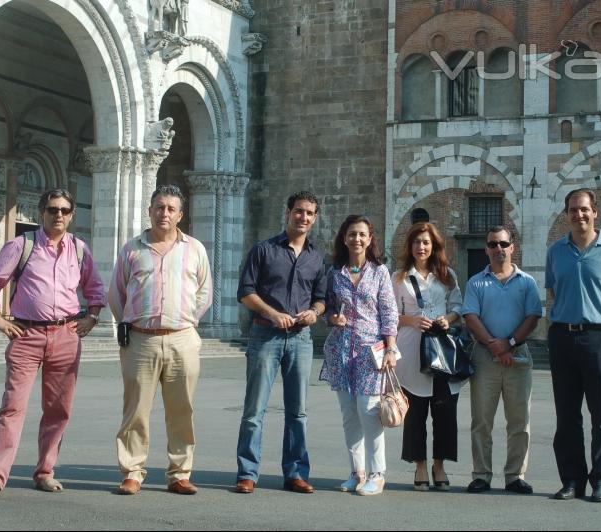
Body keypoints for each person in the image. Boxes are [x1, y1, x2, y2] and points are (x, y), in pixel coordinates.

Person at [0, 188, 106, 498]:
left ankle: (45, 471)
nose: (57, 215)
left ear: (71, 215)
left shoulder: (80, 250)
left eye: (63, 210)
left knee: (58, 409)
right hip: (27, 335)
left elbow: (95, 288)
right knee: (12, 407)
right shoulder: (22, 245)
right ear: (41, 213)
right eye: (52, 209)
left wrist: (93, 317)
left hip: (65, 336)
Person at [109, 184, 213, 496]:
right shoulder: (132, 249)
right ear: (150, 210)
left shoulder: (194, 249)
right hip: (141, 341)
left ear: (181, 214)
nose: (164, 213)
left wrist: (188, 319)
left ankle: (180, 473)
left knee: (182, 410)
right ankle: (132, 472)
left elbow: (205, 291)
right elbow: (116, 293)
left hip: (182, 339)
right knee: (136, 410)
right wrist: (132, 320)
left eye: (170, 208)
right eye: (159, 207)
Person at [234, 191, 327, 494]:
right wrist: (273, 314)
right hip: (265, 335)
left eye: (309, 213)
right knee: (254, 410)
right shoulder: (263, 250)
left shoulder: (316, 258)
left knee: (297, 412)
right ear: (287, 212)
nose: (303, 217)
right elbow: (246, 292)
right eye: (298, 211)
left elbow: (321, 299)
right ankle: (247, 472)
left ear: (315, 218)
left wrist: (315, 312)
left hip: (300, 339)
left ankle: (296, 472)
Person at [545, 188, 601, 503]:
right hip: (563, 337)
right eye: (572, 210)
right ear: (566, 214)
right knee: (567, 415)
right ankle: (571, 480)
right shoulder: (556, 251)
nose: (578, 215)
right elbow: (553, 291)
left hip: (599, 337)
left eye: (584, 209)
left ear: (595, 211)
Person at [320, 215, 399, 496]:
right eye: (352, 234)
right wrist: (332, 318)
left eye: (362, 234)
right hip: (340, 351)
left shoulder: (380, 272)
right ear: (344, 238)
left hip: (370, 352)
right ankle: (357, 472)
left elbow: (389, 312)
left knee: (369, 412)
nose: (357, 239)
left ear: (370, 239)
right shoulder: (335, 273)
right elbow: (327, 307)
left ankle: (378, 474)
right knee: (349, 414)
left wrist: (391, 348)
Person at [461, 226, 542, 495]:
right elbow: (470, 317)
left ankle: (515, 475)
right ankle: (481, 474)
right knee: (481, 421)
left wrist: (508, 344)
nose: (499, 249)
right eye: (493, 244)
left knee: (520, 421)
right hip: (485, 357)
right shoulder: (476, 282)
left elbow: (532, 317)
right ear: (486, 248)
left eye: (503, 244)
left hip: (518, 356)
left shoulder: (527, 282)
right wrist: (495, 347)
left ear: (512, 247)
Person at [391, 222, 463, 491]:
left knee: (445, 412)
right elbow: (387, 316)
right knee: (416, 412)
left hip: (441, 350)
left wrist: (449, 318)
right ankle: (420, 464)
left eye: (426, 243)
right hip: (410, 349)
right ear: (410, 246)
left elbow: (458, 307)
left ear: (434, 247)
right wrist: (410, 320)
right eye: (417, 242)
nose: (421, 247)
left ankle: (439, 463)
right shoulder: (398, 277)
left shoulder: (447, 275)